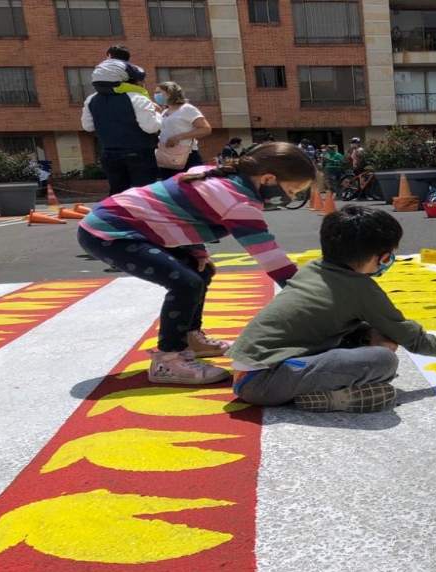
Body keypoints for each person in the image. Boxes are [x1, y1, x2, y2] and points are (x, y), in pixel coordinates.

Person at [227, 205, 436, 413]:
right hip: (263, 382)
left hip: (252, 369)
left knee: (370, 331)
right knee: (382, 360)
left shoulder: (314, 268)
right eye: (389, 257)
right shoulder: (363, 289)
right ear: (381, 257)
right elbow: (420, 342)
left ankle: (321, 380)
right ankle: (333, 398)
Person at [77, 143, 315, 385]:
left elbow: (177, 212)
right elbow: (270, 256)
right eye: (292, 190)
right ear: (269, 179)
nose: (291, 197)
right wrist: (305, 292)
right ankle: (168, 360)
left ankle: (189, 337)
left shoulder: (220, 177)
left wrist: (196, 251)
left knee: (201, 270)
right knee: (185, 283)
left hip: (132, 226)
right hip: (109, 232)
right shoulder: (238, 201)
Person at [81, 60, 161, 195]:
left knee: (118, 195)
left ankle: (117, 216)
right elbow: (151, 127)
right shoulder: (138, 98)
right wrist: (158, 114)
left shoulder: (91, 99)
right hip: (139, 152)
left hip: (109, 153)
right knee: (144, 195)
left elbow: (88, 126)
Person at [153, 81, 211, 180]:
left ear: (170, 93)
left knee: (192, 185)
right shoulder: (165, 111)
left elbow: (205, 129)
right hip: (167, 155)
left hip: (187, 155)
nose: (156, 95)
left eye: (159, 92)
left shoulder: (187, 109)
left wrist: (179, 137)